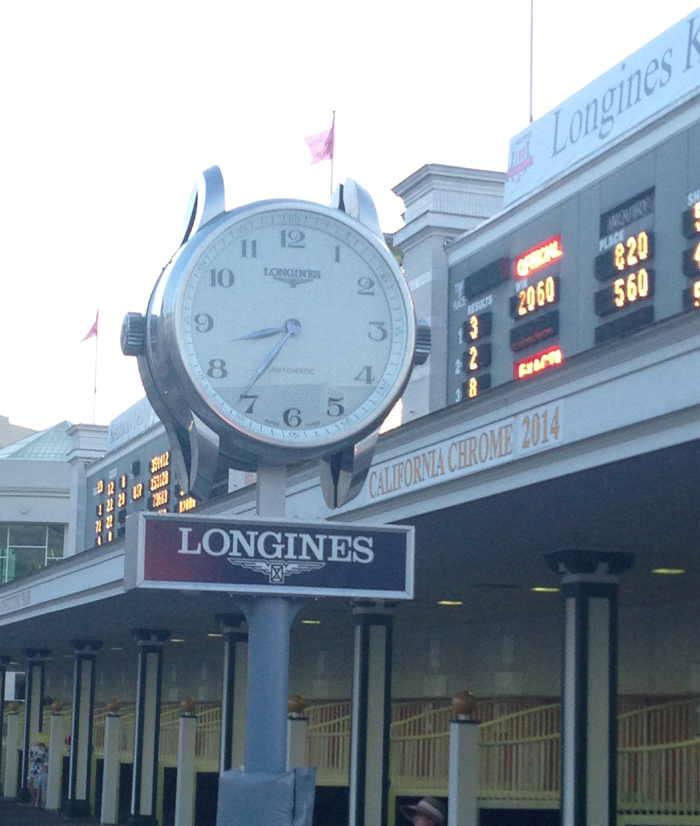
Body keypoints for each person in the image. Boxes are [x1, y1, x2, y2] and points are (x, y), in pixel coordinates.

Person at [27, 732, 49, 808]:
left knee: (38, 785)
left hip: (41, 768)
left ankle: (37, 801)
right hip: (34, 767)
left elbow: (47, 758)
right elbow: (30, 757)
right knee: (30, 783)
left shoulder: (46, 749)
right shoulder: (33, 747)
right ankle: (33, 799)